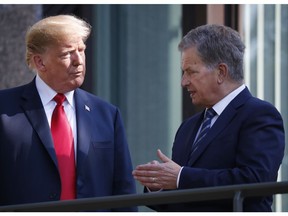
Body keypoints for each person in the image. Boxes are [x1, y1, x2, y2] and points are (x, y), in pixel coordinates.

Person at [132, 24, 285, 212]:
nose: (183, 82)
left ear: (221, 72)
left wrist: (181, 177)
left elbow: (254, 183)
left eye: (191, 71)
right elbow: (180, 200)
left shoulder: (259, 115)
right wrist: (158, 185)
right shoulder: (187, 127)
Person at [0, 14, 137, 212]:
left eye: (82, 50)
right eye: (67, 54)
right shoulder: (5, 109)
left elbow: (124, 193)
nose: (78, 61)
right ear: (40, 62)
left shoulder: (107, 114)